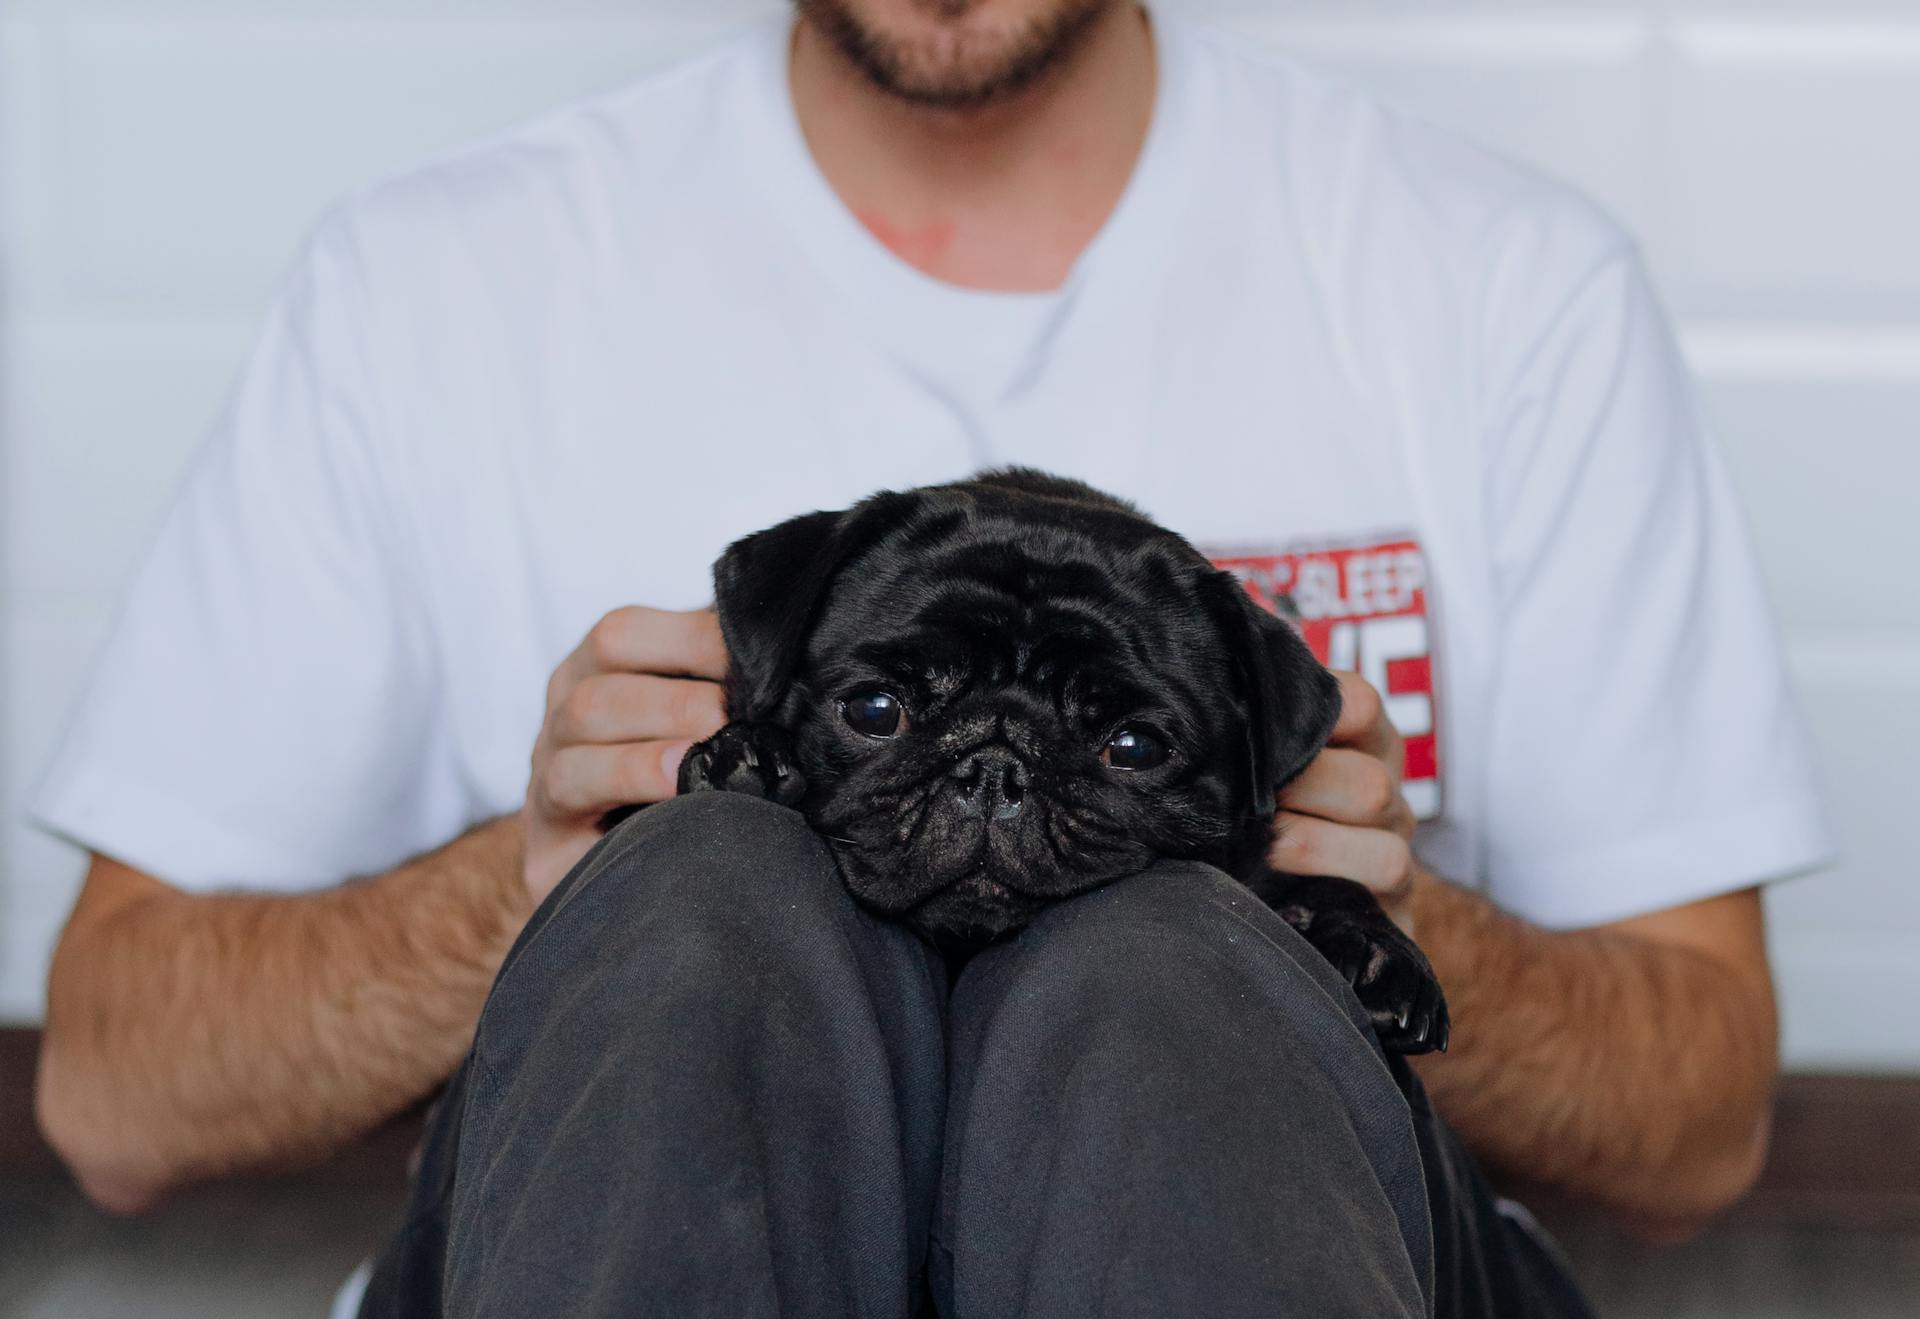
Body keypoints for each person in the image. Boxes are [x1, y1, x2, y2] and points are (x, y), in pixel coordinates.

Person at [31, 0, 1831, 1311]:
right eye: (893, 709)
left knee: (1161, 965)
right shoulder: (432, 282)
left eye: (1113, 744)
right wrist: (532, 892)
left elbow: (1697, 1138)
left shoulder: (1500, 285)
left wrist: (1366, 923)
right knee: (706, 889)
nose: (984, 772)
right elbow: (109, 1098)